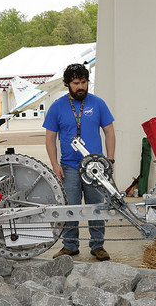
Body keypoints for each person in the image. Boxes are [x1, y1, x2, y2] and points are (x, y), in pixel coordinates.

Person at [43, 63, 116, 261]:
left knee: (96, 207)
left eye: (84, 82)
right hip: (69, 168)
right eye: (76, 83)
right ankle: (69, 246)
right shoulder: (57, 106)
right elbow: (50, 138)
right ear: (67, 84)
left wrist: (110, 160)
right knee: (70, 208)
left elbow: (109, 132)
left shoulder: (98, 103)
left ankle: (98, 246)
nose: (80, 86)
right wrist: (54, 165)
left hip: (95, 168)